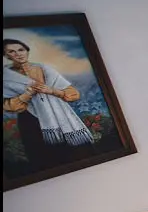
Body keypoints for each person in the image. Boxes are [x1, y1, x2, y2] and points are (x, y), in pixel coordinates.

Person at [2, 37, 96, 172]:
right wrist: (26, 95)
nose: (18, 54)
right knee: (47, 161)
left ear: (27, 51)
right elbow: (9, 106)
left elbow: (73, 93)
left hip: (60, 117)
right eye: (12, 52)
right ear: (6, 55)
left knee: (77, 155)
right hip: (31, 121)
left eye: (21, 49)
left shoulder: (44, 69)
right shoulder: (7, 77)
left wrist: (51, 90)